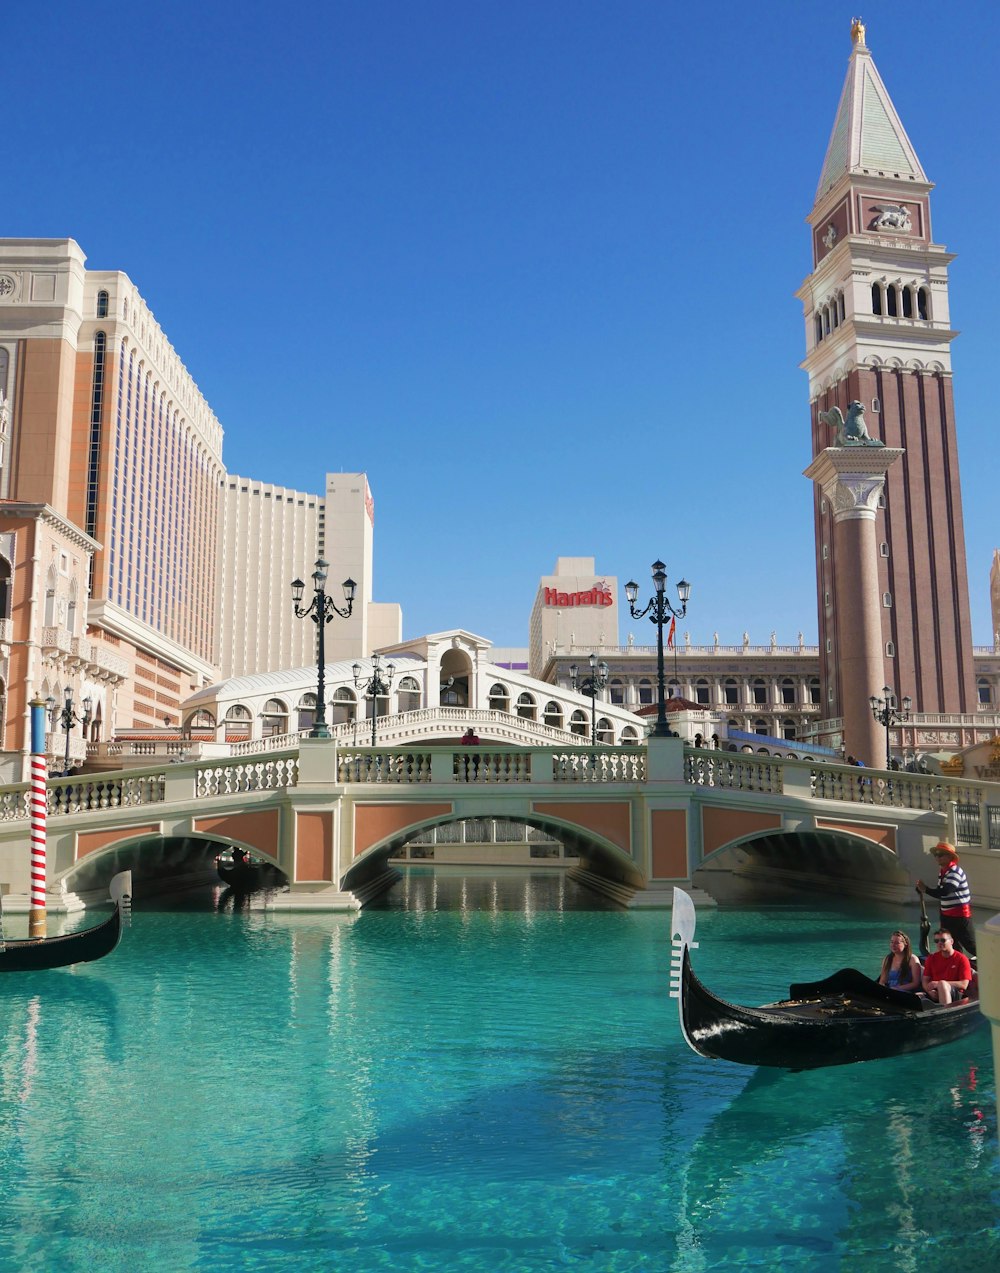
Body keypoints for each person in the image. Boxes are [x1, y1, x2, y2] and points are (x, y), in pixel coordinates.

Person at [916, 842, 977, 957]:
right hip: (947, 915)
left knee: (970, 945)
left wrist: (925, 889)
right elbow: (941, 892)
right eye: (936, 855)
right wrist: (922, 890)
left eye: (941, 854)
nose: (937, 857)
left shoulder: (955, 871)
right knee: (952, 945)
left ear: (950, 856)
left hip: (960, 916)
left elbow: (945, 892)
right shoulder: (943, 872)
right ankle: (957, 968)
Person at [921, 929, 972, 1004]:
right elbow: (925, 980)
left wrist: (938, 983)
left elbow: (964, 984)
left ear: (951, 941)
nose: (939, 943)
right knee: (917, 996)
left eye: (943, 940)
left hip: (955, 995)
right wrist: (929, 991)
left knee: (942, 984)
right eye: (936, 941)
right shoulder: (931, 958)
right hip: (935, 992)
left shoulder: (961, 959)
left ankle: (946, 1009)